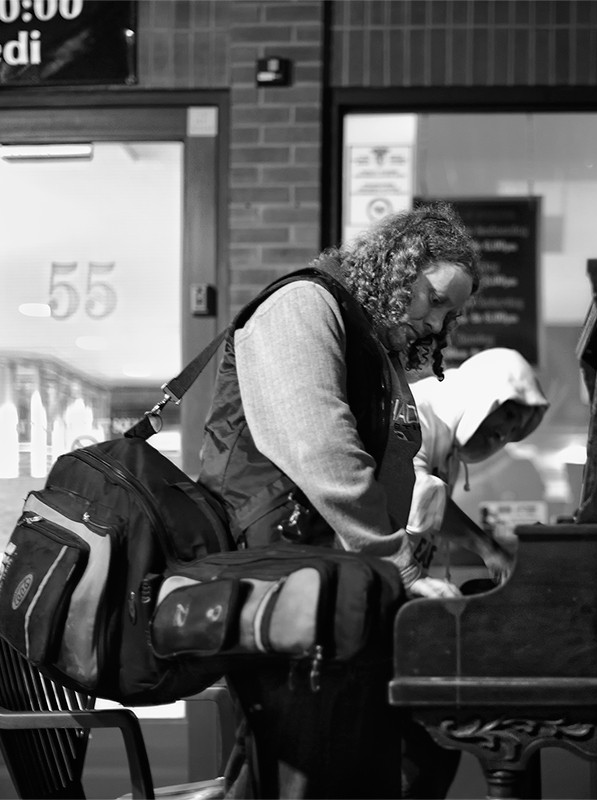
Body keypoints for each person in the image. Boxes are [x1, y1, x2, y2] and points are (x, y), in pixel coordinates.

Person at [196, 203, 480, 798]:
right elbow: (320, 449)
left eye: (451, 313)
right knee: (310, 772)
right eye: (434, 298)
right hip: (285, 586)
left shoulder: (370, 344)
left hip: (329, 585)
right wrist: (396, 561)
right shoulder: (303, 306)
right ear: (397, 266)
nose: (436, 323)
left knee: (365, 759)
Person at [399, 348, 549, 800]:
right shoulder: (420, 416)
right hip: (371, 599)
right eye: (497, 426)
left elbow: (435, 504)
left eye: (507, 437)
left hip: (399, 607)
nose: (496, 442)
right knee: (414, 757)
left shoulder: (444, 425)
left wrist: (486, 546)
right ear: (479, 401)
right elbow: (412, 496)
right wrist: (485, 547)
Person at [407, 347, 549, 583]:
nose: (504, 434)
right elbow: (412, 491)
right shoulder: (419, 409)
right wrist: (488, 548)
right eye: (510, 415)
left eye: (514, 430)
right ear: (485, 392)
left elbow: (433, 521)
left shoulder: (450, 449)